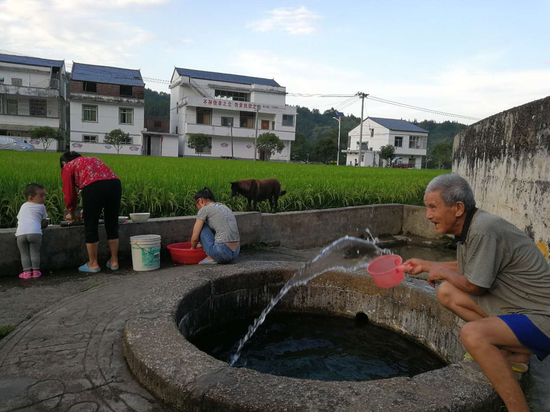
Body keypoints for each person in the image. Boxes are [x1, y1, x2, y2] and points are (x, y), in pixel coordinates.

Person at [404, 174, 550, 412]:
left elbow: (475, 286)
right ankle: (515, 352)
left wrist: (440, 270)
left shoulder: (483, 229)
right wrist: (426, 265)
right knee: (446, 291)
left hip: (542, 317)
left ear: (458, 208)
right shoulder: (473, 227)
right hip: (518, 307)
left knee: (473, 335)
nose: (428, 215)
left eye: (433, 207)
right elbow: (470, 269)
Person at [60, 151, 122, 273]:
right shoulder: (92, 159)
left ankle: (93, 264)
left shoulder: (68, 166)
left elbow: (70, 193)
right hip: (115, 184)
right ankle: (114, 261)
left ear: (64, 163)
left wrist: (71, 211)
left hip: (93, 187)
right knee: (112, 223)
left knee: (91, 225)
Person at [190, 187, 240, 264]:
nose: (198, 208)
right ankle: (213, 254)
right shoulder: (223, 206)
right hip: (236, 252)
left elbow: (194, 239)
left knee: (202, 225)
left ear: (200, 201)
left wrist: (193, 248)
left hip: (221, 253)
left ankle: (211, 258)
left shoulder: (204, 209)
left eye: (196, 205)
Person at [15, 183, 49, 279]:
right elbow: (45, 220)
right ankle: (36, 271)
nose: (44, 198)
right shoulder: (42, 207)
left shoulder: (23, 206)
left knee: (24, 253)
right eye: (41, 196)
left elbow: (19, 219)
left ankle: (26, 273)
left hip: (20, 233)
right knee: (34, 252)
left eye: (44, 195)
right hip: (35, 233)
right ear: (31, 198)